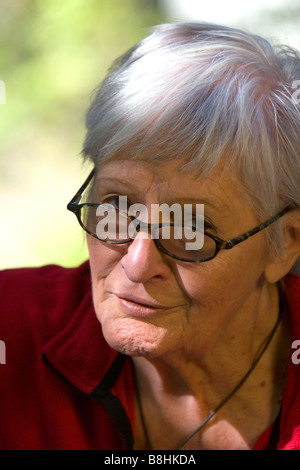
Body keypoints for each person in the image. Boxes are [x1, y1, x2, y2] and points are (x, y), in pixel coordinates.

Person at [1, 21, 300, 451]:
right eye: (117, 207)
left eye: (191, 230)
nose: (137, 264)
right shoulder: (12, 329)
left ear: (286, 242)